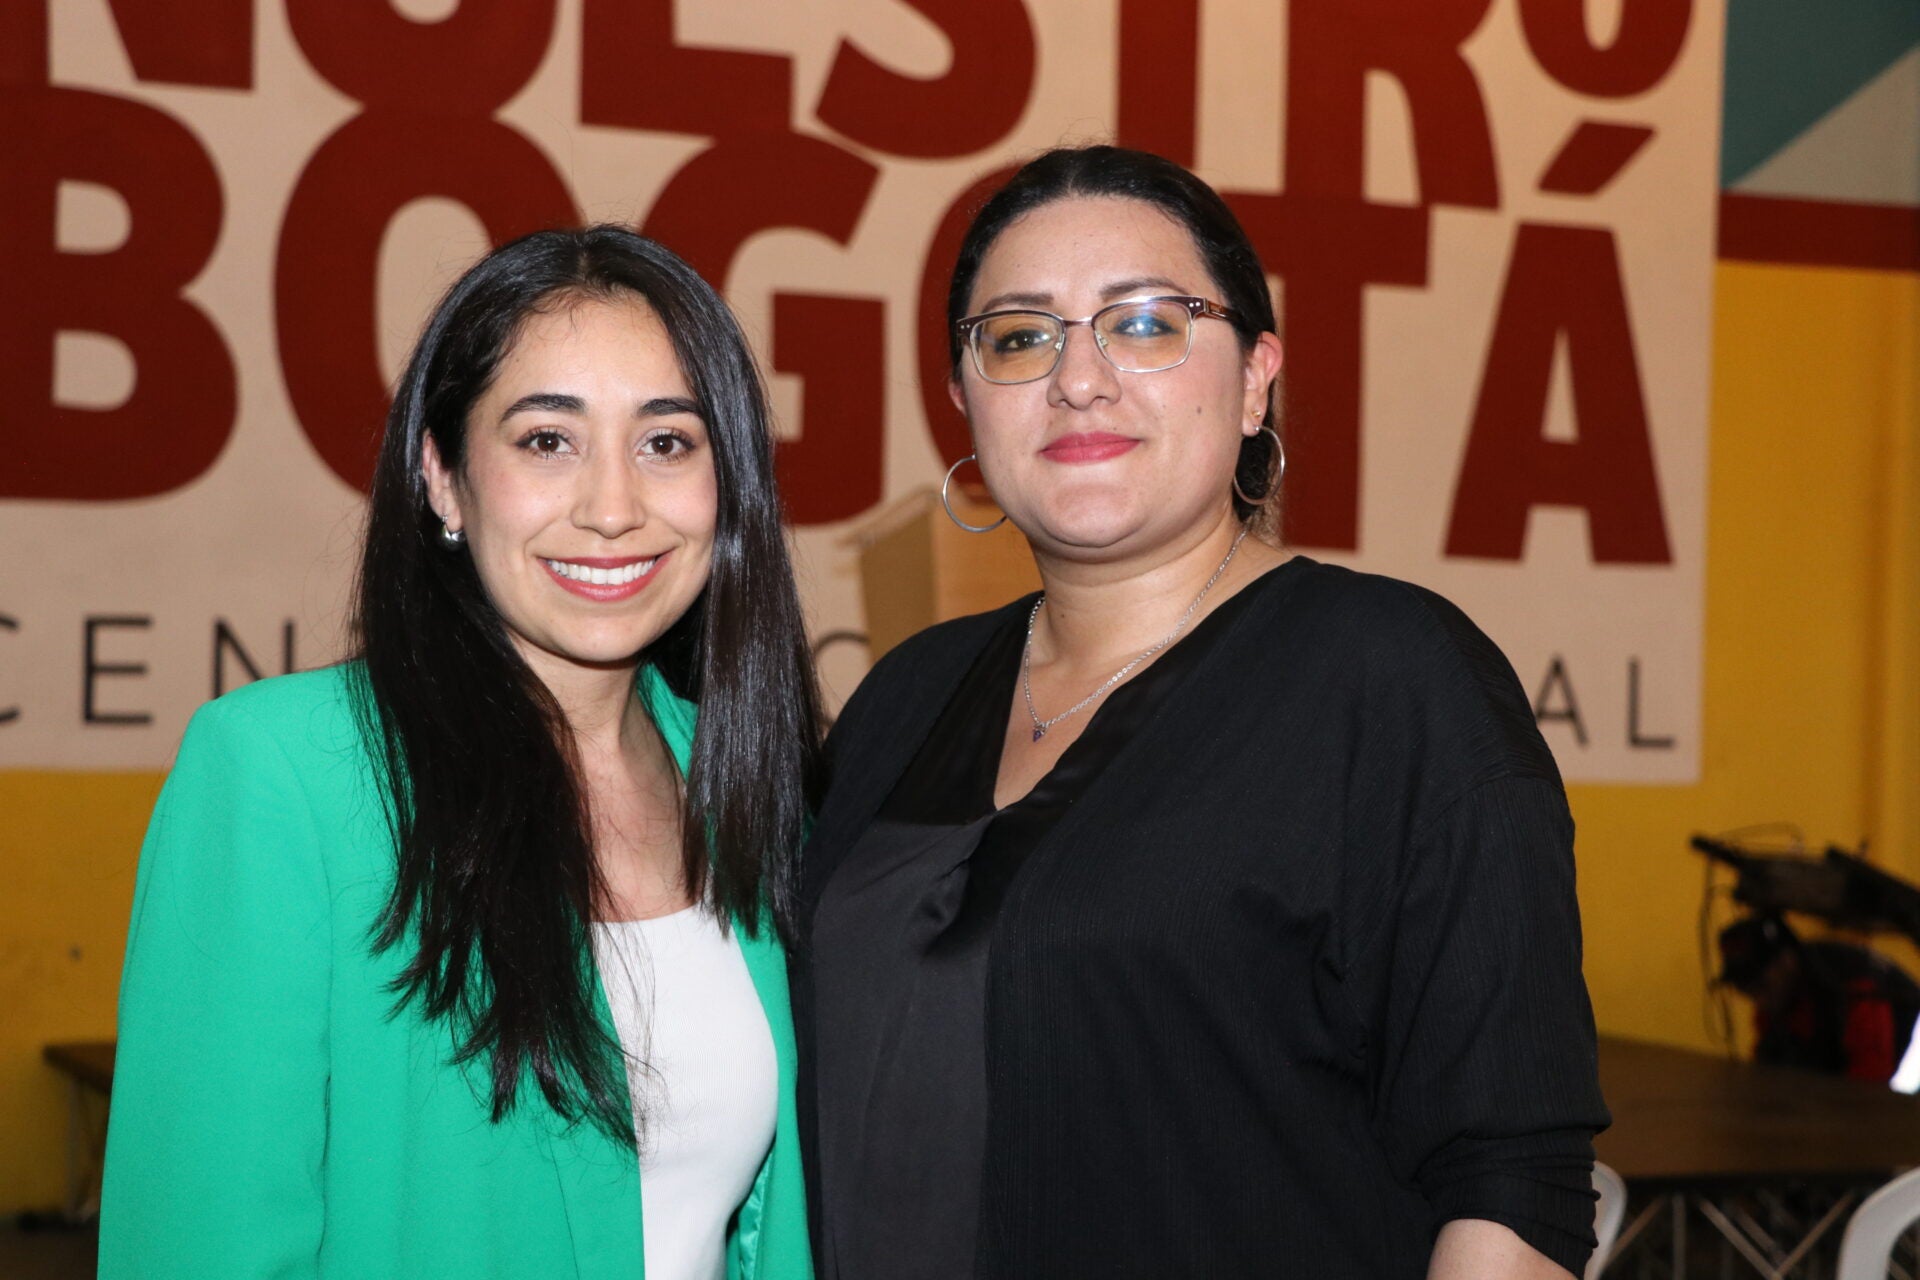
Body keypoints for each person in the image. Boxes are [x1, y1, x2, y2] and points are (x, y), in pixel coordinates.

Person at [793, 146, 1610, 1280]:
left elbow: (1512, 1186)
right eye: (1021, 335)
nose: (1079, 378)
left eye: (1143, 323)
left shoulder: (1393, 680)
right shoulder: (905, 695)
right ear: (964, 400)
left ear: (1256, 375)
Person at [101, 226, 819, 1279]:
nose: (612, 508)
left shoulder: (745, 783)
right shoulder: (283, 774)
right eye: (546, 440)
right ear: (442, 478)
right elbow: (194, 1244)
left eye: (668, 442)